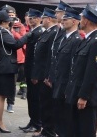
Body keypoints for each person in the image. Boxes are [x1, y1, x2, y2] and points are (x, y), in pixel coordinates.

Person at [65, 4, 97, 137]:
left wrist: (83, 96)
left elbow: (92, 73)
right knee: (75, 131)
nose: (80, 21)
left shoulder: (96, 42)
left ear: (87, 21)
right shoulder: (86, 40)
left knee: (86, 132)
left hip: (87, 98)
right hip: (77, 93)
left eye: (82, 18)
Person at [0, 10, 28, 133]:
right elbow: (16, 45)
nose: (10, 23)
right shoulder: (2, 32)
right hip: (5, 67)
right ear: (4, 22)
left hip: (1, 66)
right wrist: (27, 36)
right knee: (1, 96)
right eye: (8, 21)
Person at [52, 7, 82, 137]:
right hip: (59, 83)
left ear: (75, 21)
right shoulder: (64, 37)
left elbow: (73, 67)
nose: (63, 21)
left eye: (66, 19)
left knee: (66, 122)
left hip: (66, 87)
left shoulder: (76, 40)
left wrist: (68, 89)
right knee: (59, 120)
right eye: (62, 19)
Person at [30, 7, 58, 137]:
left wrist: (47, 75)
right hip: (41, 73)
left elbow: (49, 57)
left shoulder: (53, 33)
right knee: (43, 104)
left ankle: (48, 131)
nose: (42, 20)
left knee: (47, 105)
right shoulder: (47, 32)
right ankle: (45, 130)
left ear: (49, 19)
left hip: (44, 74)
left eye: (44, 18)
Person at [19, 9, 43, 133]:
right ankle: (32, 121)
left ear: (39, 19)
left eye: (33, 18)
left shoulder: (39, 32)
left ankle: (37, 123)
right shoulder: (33, 31)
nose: (30, 20)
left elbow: (38, 56)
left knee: (35, 98)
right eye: (29, 17)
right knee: (30, 97)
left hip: (34, 72)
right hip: (29, 69)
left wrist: (35, 73)